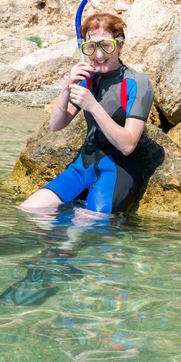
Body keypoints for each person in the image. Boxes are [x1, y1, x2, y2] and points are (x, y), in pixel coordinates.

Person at [19, 13, 154, 215]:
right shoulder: (88, 80)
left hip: (116, 171)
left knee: (86, 227)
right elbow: (56, 124)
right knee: (27, 211)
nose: (98, 55)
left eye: (106, 46)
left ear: (120, 45)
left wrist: (92, 105)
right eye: (91, 47)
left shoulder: (137, 83)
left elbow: (128, 145)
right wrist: (68, 85)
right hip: (81, 168)